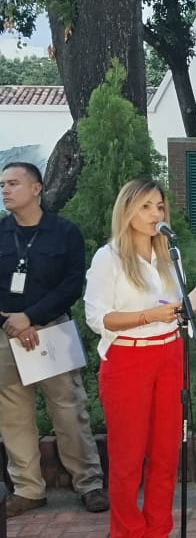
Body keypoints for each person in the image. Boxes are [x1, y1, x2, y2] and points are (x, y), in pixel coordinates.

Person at [84, 179, 196, 538]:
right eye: (146, 207)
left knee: (165, 454)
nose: (155, 215)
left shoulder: (168, 256)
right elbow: (98, 318)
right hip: (128, 360)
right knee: (128, 458)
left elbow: (176, 308)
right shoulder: (109, 258)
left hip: (169, 356)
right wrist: (148, 316)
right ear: (127, 210)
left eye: (159, 207)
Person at [0, 161, 108, 517]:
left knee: (69, 410)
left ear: (36, 189)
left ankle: (90, 484)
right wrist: (12, 322)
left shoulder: (65, 232)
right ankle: (28, 489)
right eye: (2, 185)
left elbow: (72, 284)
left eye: (13, 183)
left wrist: (31, 317)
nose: (5, 190)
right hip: (5, 333)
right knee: (13, 415)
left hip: (53, 331)